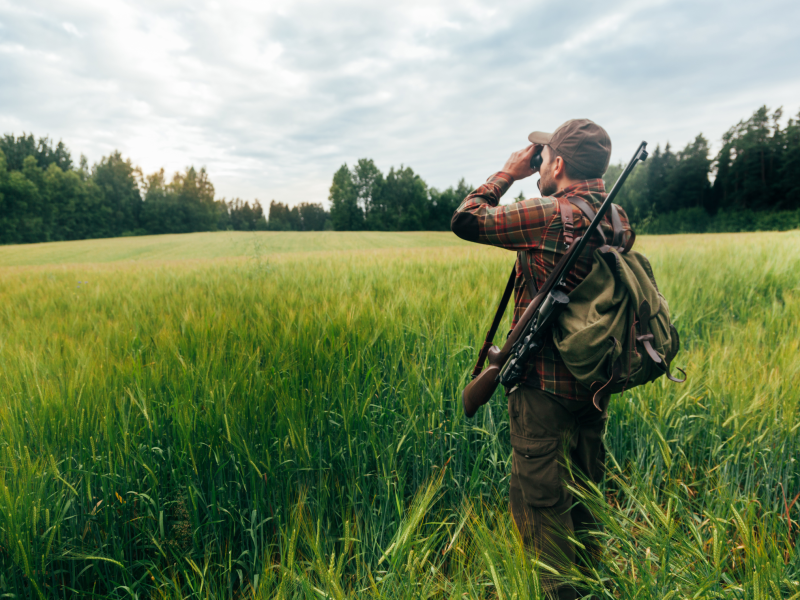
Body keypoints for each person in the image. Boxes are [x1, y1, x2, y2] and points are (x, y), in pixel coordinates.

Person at [451, 119, 630, 600]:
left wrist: (508, 173)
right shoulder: (616, 218)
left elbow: (466, 217)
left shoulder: (548, 214)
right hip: (593, 386)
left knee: (542, 516)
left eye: (543, 156)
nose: (537, 164)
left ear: (559, 164)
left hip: (542, 390)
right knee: (586, 503)